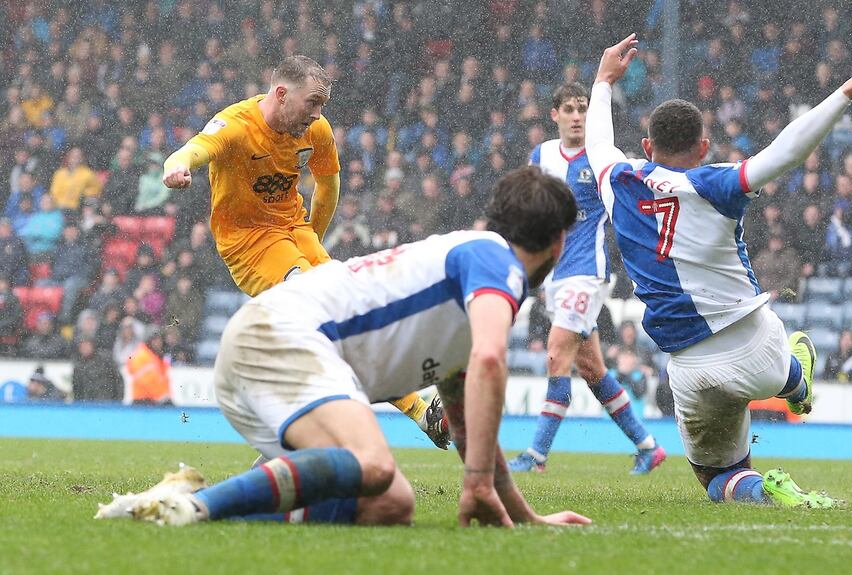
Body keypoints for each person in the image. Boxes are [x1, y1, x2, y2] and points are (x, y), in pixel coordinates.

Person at [96, 167, 591, 529]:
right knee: (372, 461)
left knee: (390, 503)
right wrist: (477, 483)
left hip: (264, 347)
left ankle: (195, 500)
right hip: (281, 336)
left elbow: (464, 422)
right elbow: (489, 359)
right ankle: (196, 509)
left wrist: (523, 515)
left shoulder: (471, 273)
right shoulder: (493, 259)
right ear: (559, 243)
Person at [586, 34, 852, 507]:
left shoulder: (619, 181)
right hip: (757, 345)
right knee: (782, 367)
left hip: (688, 367)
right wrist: (849, 90)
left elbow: (597, 142)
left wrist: (602, 81)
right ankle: (796, 378)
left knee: (716, 479)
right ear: (703, 146)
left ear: (646, 145)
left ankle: (769, 486)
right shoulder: (715, 182)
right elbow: (787, 152)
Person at [159, 55, 441, 444]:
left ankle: (414, 413)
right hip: (250, 241)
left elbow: (327, 185)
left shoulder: (316, 130)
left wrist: (312, 239)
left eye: (322, 104)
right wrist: (175, 169)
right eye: (312, 102)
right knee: (323, 319)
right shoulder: (237, 126)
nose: (318, 113)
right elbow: (193, 149)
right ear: (281, 94)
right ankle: (393, 412)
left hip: (295, 229)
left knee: (348, 313)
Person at [508, 83, 664, 475]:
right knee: (592, 369)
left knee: (556, 355)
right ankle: (648, 447)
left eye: (583, 109)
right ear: (554, 115)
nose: (577, 116)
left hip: (588, 273)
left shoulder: (600, 159)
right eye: (570, 109)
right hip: (556, 277)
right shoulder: (541, 156)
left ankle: (536, 456)